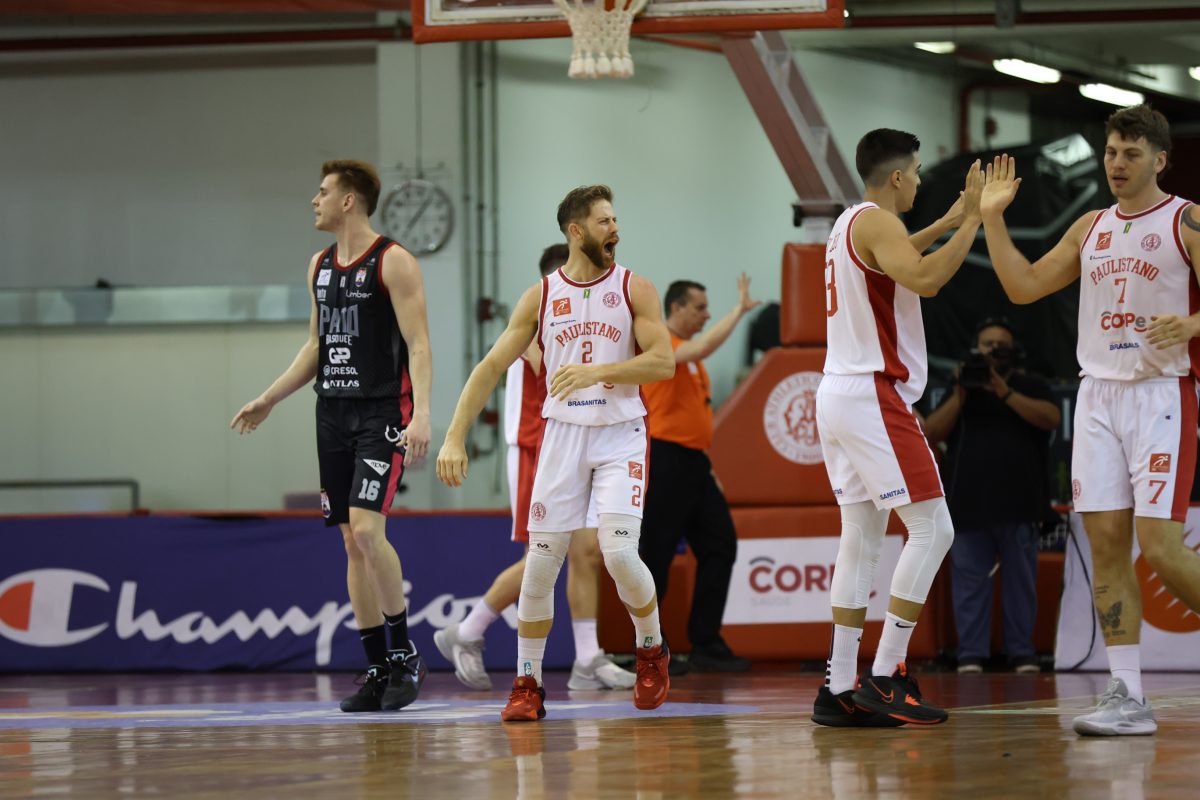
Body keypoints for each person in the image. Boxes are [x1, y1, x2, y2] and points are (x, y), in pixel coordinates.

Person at [979, 104, 1200, 736]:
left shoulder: (1185, 220)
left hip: (1161, 392)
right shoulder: (1090, 226)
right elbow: (1023, 286)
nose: (1117, 164)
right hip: (1098, 397)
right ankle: (1126, 694)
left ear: (1160, 160)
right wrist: (992, 217)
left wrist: (1191, 323)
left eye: (1131, 153)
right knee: (1105, 548)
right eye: (1110, 152)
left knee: (1159, 548)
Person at [436, 184, 675, 721]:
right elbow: (489, 367)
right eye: (605, 221)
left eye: (615, 219)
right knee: (541, 564)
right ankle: (528, 684)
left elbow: (663, 362)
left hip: (620, 433)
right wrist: (454, 435)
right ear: (576, 230)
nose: (615, 229)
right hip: (562, 437)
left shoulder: (635, 288)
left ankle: (651, 648)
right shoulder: (540, 296)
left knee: (618, 556)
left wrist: (598, 371)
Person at [230, 160, 432, 713]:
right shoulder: (319, 265)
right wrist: (270, 397)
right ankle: (376, 667)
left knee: (367, 530)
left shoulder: (394, 261)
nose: (313, 200)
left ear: (348, 200)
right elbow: (316, 346)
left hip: (382, 412)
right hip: (332, 413)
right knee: (349, 540)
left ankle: (405, 654)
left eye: (322, 192)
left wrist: (422, 415)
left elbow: (418, 344)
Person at [810, 129, 984, 728]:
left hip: (838, 390)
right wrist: (971, 223)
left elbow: (899, 256)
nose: (920, 179)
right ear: (898, 177)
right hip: (871, 392)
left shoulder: (849, 223)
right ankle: (887, 674)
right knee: (934, 529)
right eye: (917, 170)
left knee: (860, 536)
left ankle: (837, 687)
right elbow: (924, 279)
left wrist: (949, 219)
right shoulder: (877, 222)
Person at [434, 244, 635, 692]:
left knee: (588, 552)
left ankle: (588, 658)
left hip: (580, 445)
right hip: (535, 448)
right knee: (542, 557)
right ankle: (467, 631)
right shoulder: (537, 316)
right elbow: (557, 370)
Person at [923, 318, 1061, 674]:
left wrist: (1005, 392)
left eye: (1002, 345)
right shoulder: (961, 388)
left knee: (1021, 585)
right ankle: (971, 653)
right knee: (969, 584)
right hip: (968, 505)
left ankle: (1022, 652)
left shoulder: (1030, 384)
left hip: (1021, 504)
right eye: (987, 345)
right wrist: (960, 394)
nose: (994, 351)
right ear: (974, 350)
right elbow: (931, 432)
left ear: (1014, 351)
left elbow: (1051, 419)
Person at [638, 275, 760, 674]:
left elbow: (693, 417)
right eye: (700, 308)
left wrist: (707, 466)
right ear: (676, 308)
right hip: (665, 460)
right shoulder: (663, 347)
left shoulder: (692, 362)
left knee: (720, 544)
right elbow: (704, 345)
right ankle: (652, 649)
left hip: (694, 464)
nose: (706, 315)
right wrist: (738, 311)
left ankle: (706, 642)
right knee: (655, 557)